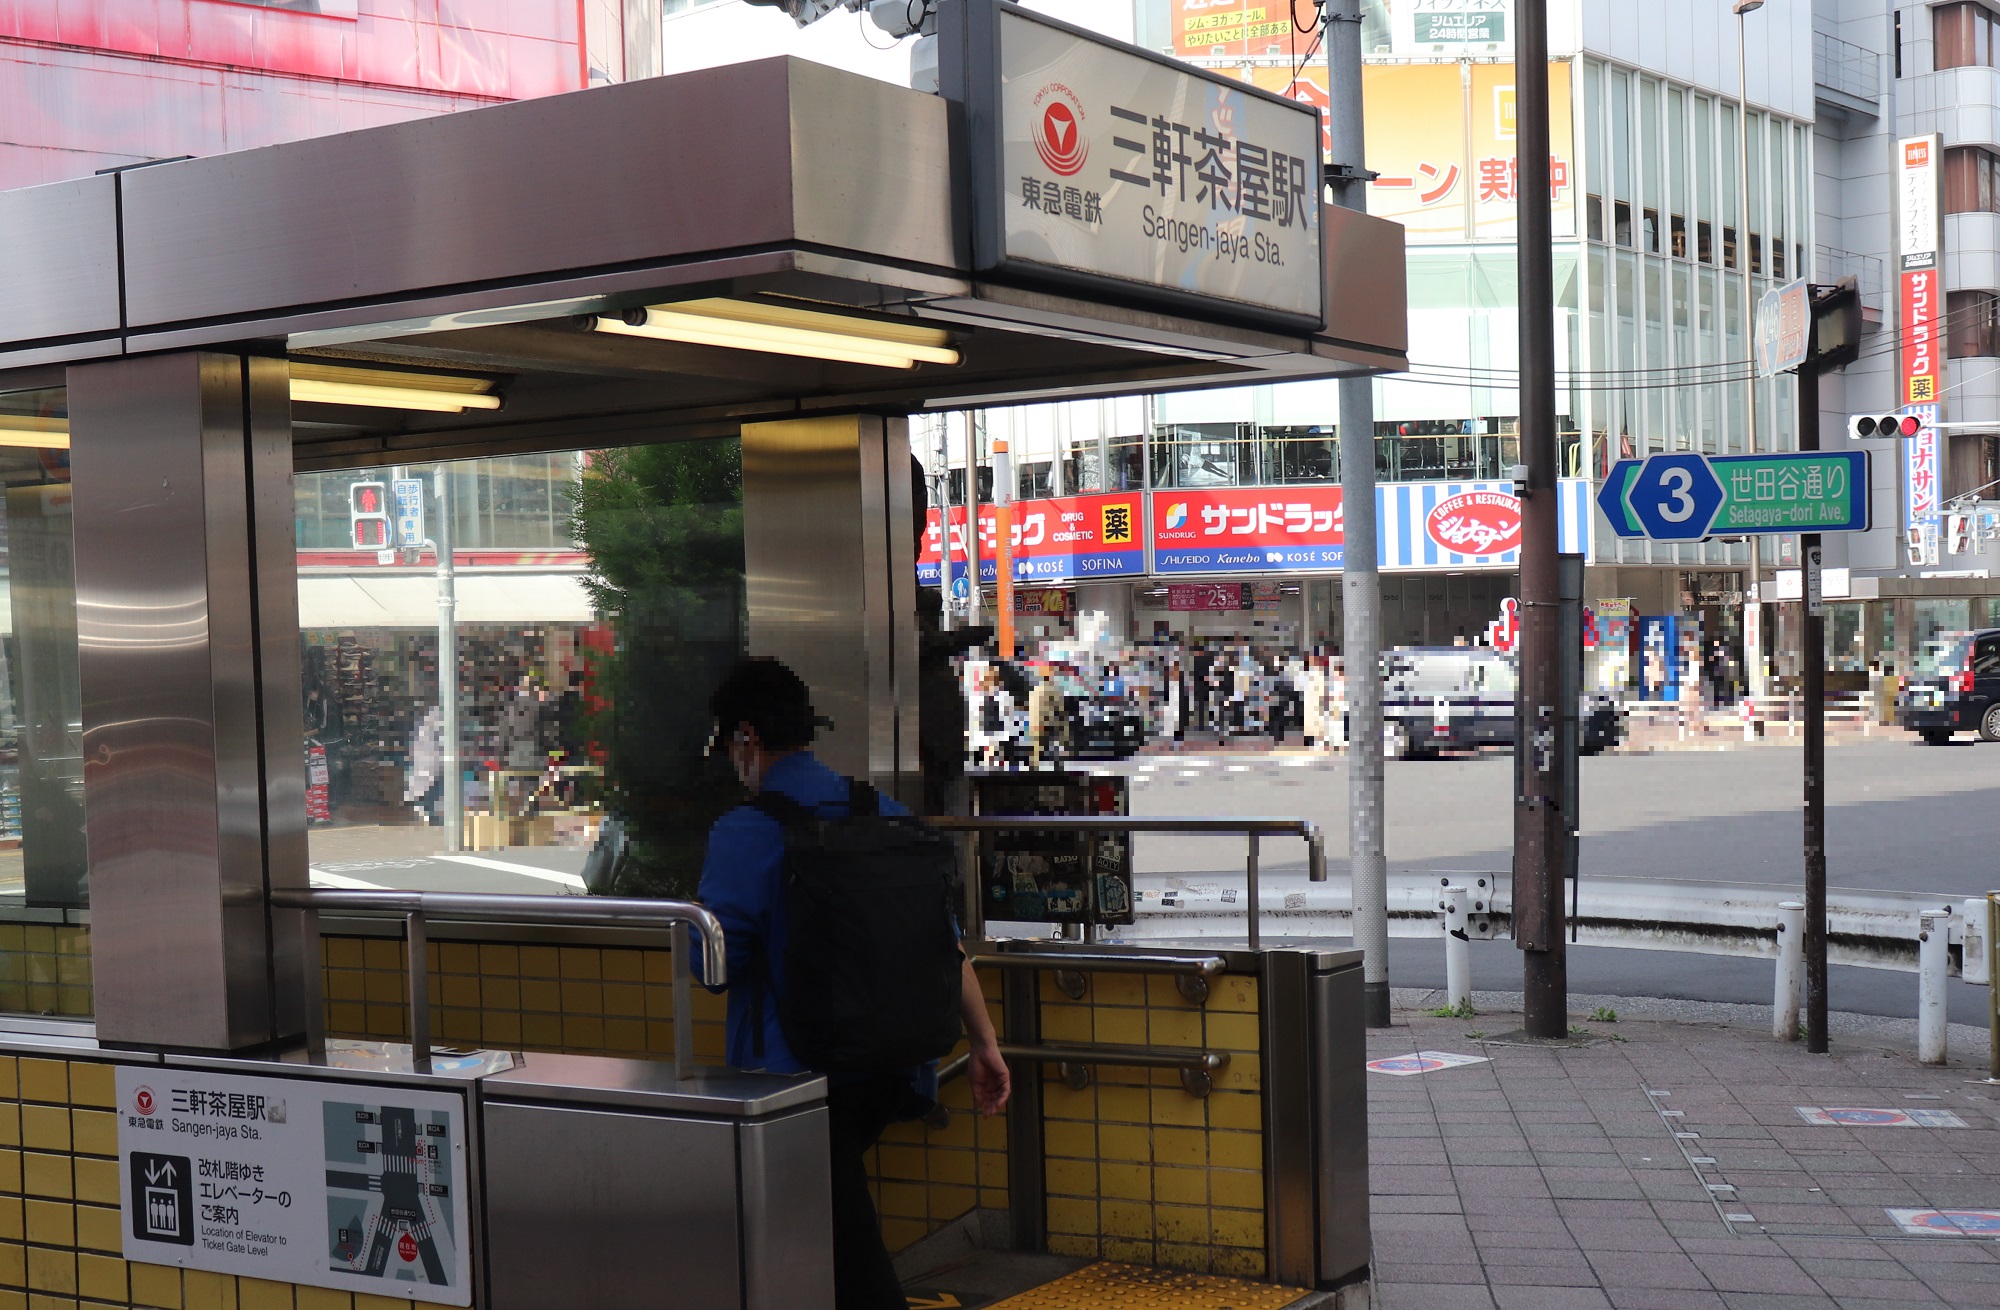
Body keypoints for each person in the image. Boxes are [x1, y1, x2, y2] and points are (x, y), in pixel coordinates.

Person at [698, 657, 1010, 1310]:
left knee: (846, 1251)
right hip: (897, 1065)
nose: (733, 760)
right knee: (819, 1234)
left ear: (747, 738)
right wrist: (984, 1043)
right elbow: (944, 944)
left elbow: (712, 969)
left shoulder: (746, 833)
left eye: (730, 746)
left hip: (794, 1077)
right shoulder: (884, 812)